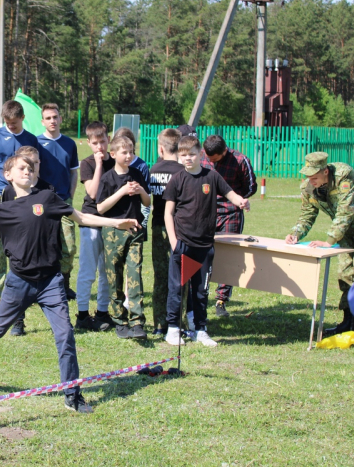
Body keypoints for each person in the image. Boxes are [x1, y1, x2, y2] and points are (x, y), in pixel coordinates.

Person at [0, 154, 140, 413]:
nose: (27, 171)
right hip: (19, 282)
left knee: (65, 335)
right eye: (21, 168)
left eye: (30, 168)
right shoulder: (4, 210)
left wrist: (116, 222)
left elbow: (82, 218)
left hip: (51, 281)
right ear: (8, 175)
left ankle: (72, 394)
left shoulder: (47, 198)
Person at [163, 135, 250, 347]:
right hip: (183, 244)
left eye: (192, 154)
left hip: (205, 246)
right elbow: (168, 213)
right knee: (177, 288)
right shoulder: (177, 180)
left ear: (200, 154)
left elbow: (230, 193)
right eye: (184, 155)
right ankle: (173, 329)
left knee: (201, 291)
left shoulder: (211, 177)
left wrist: (241, 201)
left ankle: (200, 330)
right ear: (179, 156)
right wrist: (174, 242)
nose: (188, 158)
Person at [284, 152, 354, 336]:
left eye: (314, 177)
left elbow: (346, 212)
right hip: (343, 228)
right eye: (308, 177)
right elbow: (307, 214)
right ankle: (347, 321)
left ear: (325, 171)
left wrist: (329, 242)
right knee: (345, 272)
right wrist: (295, 234)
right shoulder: (308, 187)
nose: (311, 181)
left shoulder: (344, 176)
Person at [0, 100, 39, 311]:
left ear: (22, 118)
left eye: (14, 122)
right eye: (7, 122)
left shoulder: (31, 139)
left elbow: (35, 168)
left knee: (25, 244)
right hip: (1, 196)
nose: (10, 125)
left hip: (24, 197)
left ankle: (28, 291)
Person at [96, 135, 151, 340]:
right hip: (113, 232)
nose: (128, 156)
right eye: (124, 152)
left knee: (135, 274)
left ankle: (137, 322)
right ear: (113, 154)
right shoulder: (107, 178)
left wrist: (141, 190)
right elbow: (100, 208)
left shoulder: (137, 174)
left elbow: (147, 202)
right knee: (115, 276)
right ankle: (120, 320)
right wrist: (121, 192)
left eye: (131, 152)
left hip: (135, 231)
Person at [0, 145, 54, 336]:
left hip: (41, 248)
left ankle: (58, 323)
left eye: (35, 163)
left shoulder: (47, 189)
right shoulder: (9, 190)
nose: (30, 168)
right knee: (18, 285)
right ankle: (18, 321)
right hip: (18, 247)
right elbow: (3, 218)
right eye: (24, 165)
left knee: (49, 286)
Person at [201, 134, 257, 318]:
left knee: (228, 256)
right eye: (209, 159)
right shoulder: (201, 157)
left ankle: (221, 300)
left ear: (224, 151)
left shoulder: (240, 161)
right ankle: (200, 294)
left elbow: (251, 187)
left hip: (231, 213)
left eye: (215, 160)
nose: (211, 162)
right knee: (202, 253)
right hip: (206, 212)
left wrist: (238, 199)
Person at [37, 103, 80, 301]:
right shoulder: (36, 143)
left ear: (60, 119)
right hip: (42, 203)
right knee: (44, 246)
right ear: (42, 121)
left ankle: (64, 284)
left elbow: (73, 173)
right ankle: (43, 287)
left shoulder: (69, 144)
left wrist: (70, 195)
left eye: (55, 117)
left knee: (68, 246)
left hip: (64, 202)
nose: (52, 121)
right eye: (48, 118)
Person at [76, 121, 116, 332]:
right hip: (91, 220)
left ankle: (102, 312)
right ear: (89, 143)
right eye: (95, 143)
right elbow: (92, 193)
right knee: (88, 270)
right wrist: (99, 165)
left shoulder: (116, 161)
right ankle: (82, 315)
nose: (99, 146)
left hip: (111, 221)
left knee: (106, 271)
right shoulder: (87, 164)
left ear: (109, 139)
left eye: (102, 141)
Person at [147, 128, 184, 335]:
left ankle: (159, 324)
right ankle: (178, 322)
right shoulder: (183, 171)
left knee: (160, 276)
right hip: (180, 229)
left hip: (158, 227)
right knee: (180, 276)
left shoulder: (153, 170)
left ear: (160, 149)